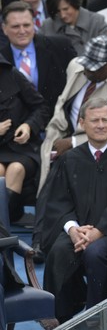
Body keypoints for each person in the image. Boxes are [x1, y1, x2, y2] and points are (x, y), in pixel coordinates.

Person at [41, 97, 107, 323]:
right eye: (94, 120)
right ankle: (60, 318)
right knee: (59, 251)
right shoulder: (70, 159)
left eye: (105, 120)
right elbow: (59, 202)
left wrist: (99, 230)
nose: (100, 125)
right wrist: (72, 230)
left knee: (96, 252)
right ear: (81, 123)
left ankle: (95, 315)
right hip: (78, 231)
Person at [38, 35, 107, 189]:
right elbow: (63, 104)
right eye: (86, 64)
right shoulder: (75, 66)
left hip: (94, 150)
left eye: (93, 67)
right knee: (47, 190)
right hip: (58, 136)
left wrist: (73, 143)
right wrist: (54, 138)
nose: (86, 70)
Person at [0, 49, 50, 222]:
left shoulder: (12, 75)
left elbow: (41, 107)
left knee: (16, 169)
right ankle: (6, 222)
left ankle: (3, 225)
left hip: (22, 147)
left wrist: (28, 126)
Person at [0, 0, 76, 113]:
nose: (22, 31)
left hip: (57, 122)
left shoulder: (60, 47)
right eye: (15, 26)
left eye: (26, 25)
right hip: (20, 126)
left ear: (34, 24)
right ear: (4, 29)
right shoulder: (2, 58)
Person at [40, 0, 107, 56]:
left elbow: (105, 55)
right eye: (58, 11)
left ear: (76, 3)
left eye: (66, 9)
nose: (62, 15)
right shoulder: (47, 26)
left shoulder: (97, 22)